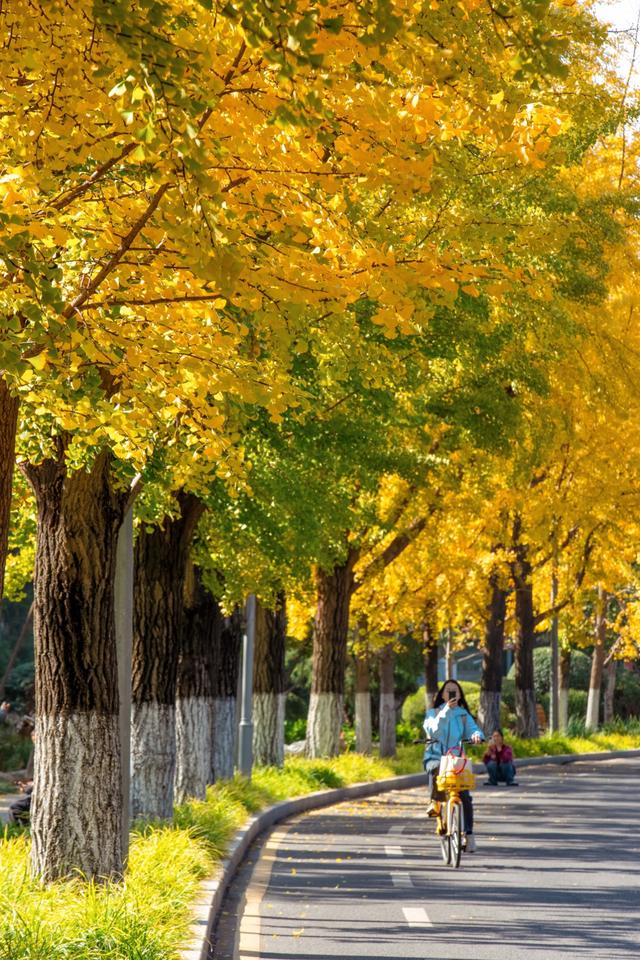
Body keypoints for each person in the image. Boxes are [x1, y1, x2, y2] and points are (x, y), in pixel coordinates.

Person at [423, 679, 484, 853]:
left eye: (455, 691)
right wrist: (446, 711)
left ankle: (469, 835)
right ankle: (435, 801)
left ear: (459, 695)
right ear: (442, 694)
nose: (452, 694)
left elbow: (474, 729)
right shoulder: (433, 713)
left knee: (465, 795)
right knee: (436, 769)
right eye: (448, 690)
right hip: (436, 757)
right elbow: (433, 731)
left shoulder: (463, 714)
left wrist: (476, 736)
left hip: (456, 759)